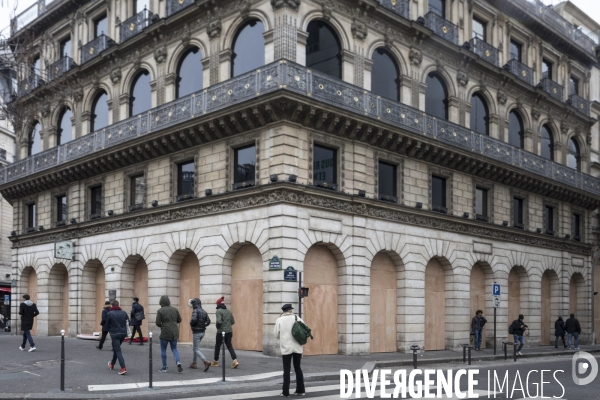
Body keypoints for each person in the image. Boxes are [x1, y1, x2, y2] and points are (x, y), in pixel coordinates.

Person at [274, 304, 306, 397]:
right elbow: (305, 329)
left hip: (286, 348)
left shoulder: (279, 320)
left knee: (287, 369)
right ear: (291, 310)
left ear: (283, 311)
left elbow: (276, 335)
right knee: (298, 368)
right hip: (297, 347)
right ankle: (300, 390)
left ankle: (285, 392)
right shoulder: (297, 318)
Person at [155, 295, 183, 373]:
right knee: (174, 348)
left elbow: (157, 323)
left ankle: (164, 367)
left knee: (163, 349)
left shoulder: (160, 310)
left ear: (161, 302)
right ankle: (178, 362)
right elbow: (179, 320)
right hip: (174, 331)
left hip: (165, 332)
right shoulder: (175, 309)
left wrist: (163, 325)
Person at [211, 296, 239, 369]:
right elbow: (233, 321)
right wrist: (227, 325)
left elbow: (219, 321)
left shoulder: (218, 311)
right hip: (229, 331)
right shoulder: (228, 311)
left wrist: (218, 326)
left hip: (221, 331)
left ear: (218, 304)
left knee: (217, 345)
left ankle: (215, 361)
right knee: (229, 345)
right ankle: (235, 360)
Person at [105, 300, 129, 375]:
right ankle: (112, 364)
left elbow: (106, 325)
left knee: (118, 350)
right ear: (118, 305)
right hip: (123, 333)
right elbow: (129, 322)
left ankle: (123, 367)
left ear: (112, 306)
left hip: (114, 334)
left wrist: (109, 331)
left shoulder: (109, 313)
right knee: (116, 348)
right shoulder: (124, 313)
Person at [189, 298, 211, 372]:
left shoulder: (195, 311)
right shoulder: (204, 311)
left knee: (196, 349)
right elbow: (208, 321)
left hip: (197, 332)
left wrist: (191, 324)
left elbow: (193, 320)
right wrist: (203, 324)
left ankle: (205, 361)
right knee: (196, 348)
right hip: (202, 332)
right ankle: (194, 363)